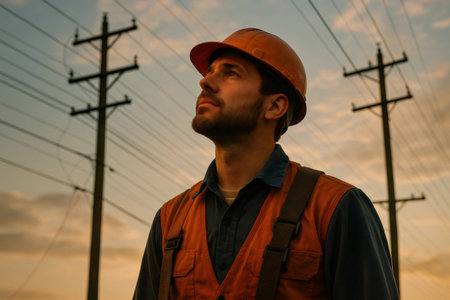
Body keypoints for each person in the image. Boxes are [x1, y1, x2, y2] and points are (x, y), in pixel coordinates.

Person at [133, 28, 399, 300]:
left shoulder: (335, 207)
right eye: (209, 72)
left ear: (274, 106)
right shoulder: (169, 219)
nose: (206, 82)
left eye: (231, 73)